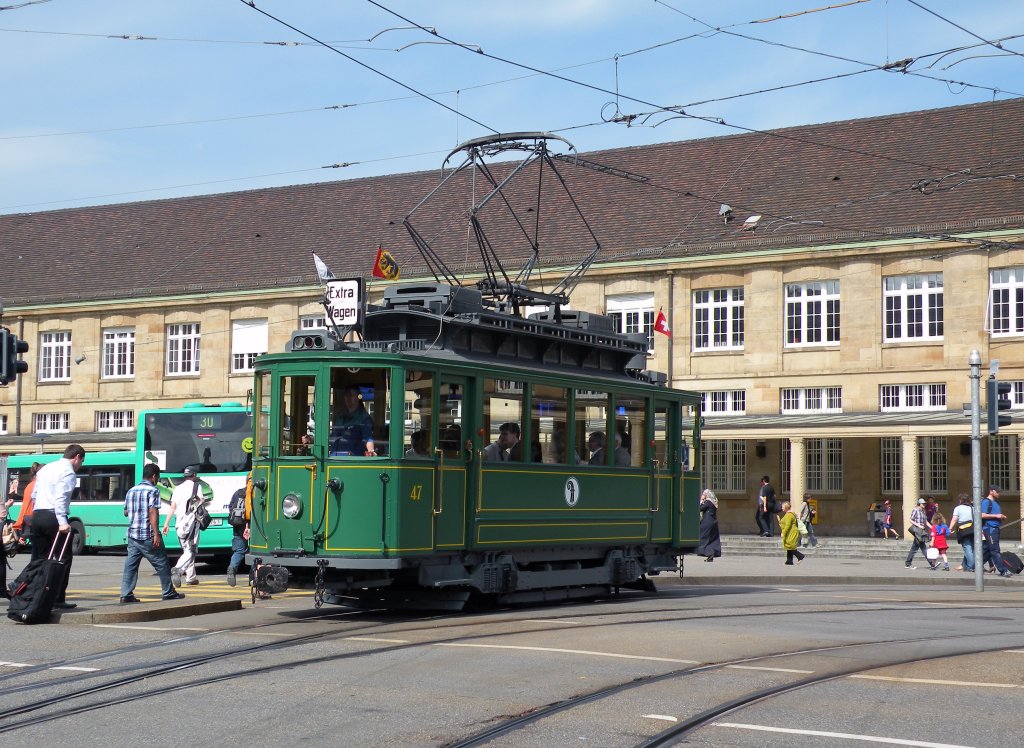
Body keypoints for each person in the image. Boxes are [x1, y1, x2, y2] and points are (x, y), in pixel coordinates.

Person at [29, 444, 86, 610]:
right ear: (77, 457)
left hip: (38, 515)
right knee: (63, 559)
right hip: (53, 516)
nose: (80, 465)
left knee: (40, 559)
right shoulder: (68, 471)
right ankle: (58, 598)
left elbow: (34, 494)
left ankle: (33, 594)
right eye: (81, 462)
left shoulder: (45, 469)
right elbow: (61, 497)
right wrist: (62, 522)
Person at [119, 463, 184, 603]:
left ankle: (126, 594)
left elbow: (125, 512)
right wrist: (156, 534)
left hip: (133, 535)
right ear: (154, 476)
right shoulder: (153, 490)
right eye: (158, 478)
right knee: (161, 563)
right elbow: (153, 511)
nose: (158, 480)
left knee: (131, 565)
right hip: (147, 534)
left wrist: (136, 511)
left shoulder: (131, 490)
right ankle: (168, 592)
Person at [163, 467, 204, 587]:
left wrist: (166, 523)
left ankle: (191, 577)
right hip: (191, 522)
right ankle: (178, 569)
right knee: (191, 550)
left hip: (179, 523)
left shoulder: (177, 488)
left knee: (186, 550)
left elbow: (173, 507)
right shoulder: (197, 487)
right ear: (194, 475)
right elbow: (201, 500)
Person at [330, 386, 375, 456]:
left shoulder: (364, 418)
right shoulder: (340, 416)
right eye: (346, 395)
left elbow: (368, 438)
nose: (348, 398)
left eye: (351, 395)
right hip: (334, 458)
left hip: (352, 460)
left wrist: (371, 451)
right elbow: (333, 436)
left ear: (358, 397)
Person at [980, 484, 1010, 576]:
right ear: (991, 491)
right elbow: (982, 515)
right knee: (995, 550)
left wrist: (1001, 517)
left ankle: (975, 565)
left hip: (995, 528)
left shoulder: (996, 502)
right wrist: (997, 516)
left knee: (989, 549)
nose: (999, 493)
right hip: (989, 528)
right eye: (997, 492)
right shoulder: (986, 502)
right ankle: (1003, 570)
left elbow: (995, 514)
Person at [12, 462, 42, 544]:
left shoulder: (30, 485)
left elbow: (25, 506)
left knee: (37, 548)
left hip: (29, 518)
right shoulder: (37, 485)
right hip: (34, 517)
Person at [905, 497, 937, 570]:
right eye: (923, 503)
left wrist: (932, 528)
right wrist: (918, 525)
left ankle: (908, 563)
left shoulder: (923, 511)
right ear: (919, 504)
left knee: (916, 548)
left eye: (925, 503)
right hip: (918, 530)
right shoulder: (915, 510)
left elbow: (925, 521)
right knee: (923, 548)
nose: (924, 505)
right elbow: (910, 520)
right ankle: (931, 563)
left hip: (921, 531)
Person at [948, 492, 975, 572]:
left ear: (961, 500)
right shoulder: (972, 508)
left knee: (967, 548)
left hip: (963, 530)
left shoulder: (958, 508)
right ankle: (966, 566)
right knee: (972, 548)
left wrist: (950, 528)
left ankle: (971, 566)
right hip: (973, 529)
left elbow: (954, 519)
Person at [697, 489, 722, 562]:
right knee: (712, 539)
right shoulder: (713, 501)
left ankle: (706, 552)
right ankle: (712, 552)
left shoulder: (708, 502)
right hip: (714, 522)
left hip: (707, 522)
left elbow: (700, 508)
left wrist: (701, 501)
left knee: (703, 537)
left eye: (704, 494)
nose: (703, 495)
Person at [779, 501, 805, 565]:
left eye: (783, 507)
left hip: (791, 532)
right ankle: (789, 561)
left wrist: (783, 533)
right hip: (792, 532)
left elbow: (788, 525)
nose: (782, 508)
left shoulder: (789, 515)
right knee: (789, 546)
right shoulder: (790, 514)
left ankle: (800, 556)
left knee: (790, 546)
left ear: (786, 507)